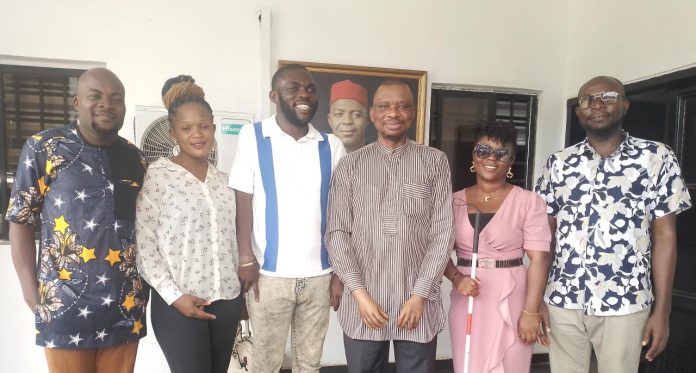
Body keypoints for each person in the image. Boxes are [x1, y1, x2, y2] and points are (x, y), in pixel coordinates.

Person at [535, 76, 692, 373]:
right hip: (563, 300)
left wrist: (663, 310)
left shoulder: (656, 157)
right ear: (578, 111)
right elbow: (545, 236)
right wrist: (536, 300)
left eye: (607, 96)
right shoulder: (559, 163)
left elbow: (666, 236)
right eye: (587, 99)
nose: (596, 104)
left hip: (626, 302)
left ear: (625, 104)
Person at [5, 67, 147, 373]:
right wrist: (31, 292)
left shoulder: (136, 159)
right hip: (64, 304)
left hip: (125, 304)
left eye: (116, 98)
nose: (106, 105)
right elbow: (20, 219)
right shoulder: (45, 148)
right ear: (76, 102)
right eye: (95, 96)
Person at [325, 79, 454, 373]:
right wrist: (358, 293)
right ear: (372, 114)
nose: (393, 113)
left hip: (417, 302)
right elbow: (337, 233)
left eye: (402, 106)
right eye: (384, 106)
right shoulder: (351, 165)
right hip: (365, 302)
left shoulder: (434, 161)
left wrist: (420, 294)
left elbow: (443, 232)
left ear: (412, 113)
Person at [228, 63, 346, 373]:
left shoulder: (331, 145)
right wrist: (245, 259)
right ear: (274, 95)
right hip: (269, 278)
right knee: (265, 364)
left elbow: (341, 213)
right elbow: (243, 200)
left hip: (320, 276)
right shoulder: (253, 136)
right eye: (293, 88)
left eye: (309, 88)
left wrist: (339, 273)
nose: (304, 94)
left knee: (309, 364)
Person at [135, 76, 241, 373]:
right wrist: (174, 296)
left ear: (213, 128)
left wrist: (240, 296)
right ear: (172, 133)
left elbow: (232, 240)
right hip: (179, 304)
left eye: (204, 126)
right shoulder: (159, 176)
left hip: (226, 300)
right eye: (187, 128)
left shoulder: (224, 181)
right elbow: (145, 244)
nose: (197, 134)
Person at [441, 121, 551, 373]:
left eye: (502, 153)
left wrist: (531, 311)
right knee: (468, 364)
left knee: (511, 364)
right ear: (473, 155)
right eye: (483, 150)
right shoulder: (453, 201)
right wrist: (457, 278)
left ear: (511, 161)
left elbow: (539, 260)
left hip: (513, 297)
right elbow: (437, 251)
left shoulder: (529, 201)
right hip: (468, 296)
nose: (491, 158)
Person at [327, 80, 369, 153]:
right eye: (339, 114)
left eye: (356, 115)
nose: (347, 121)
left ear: (366, 120)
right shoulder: (315, 157)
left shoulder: (380, 159)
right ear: (330, 120)